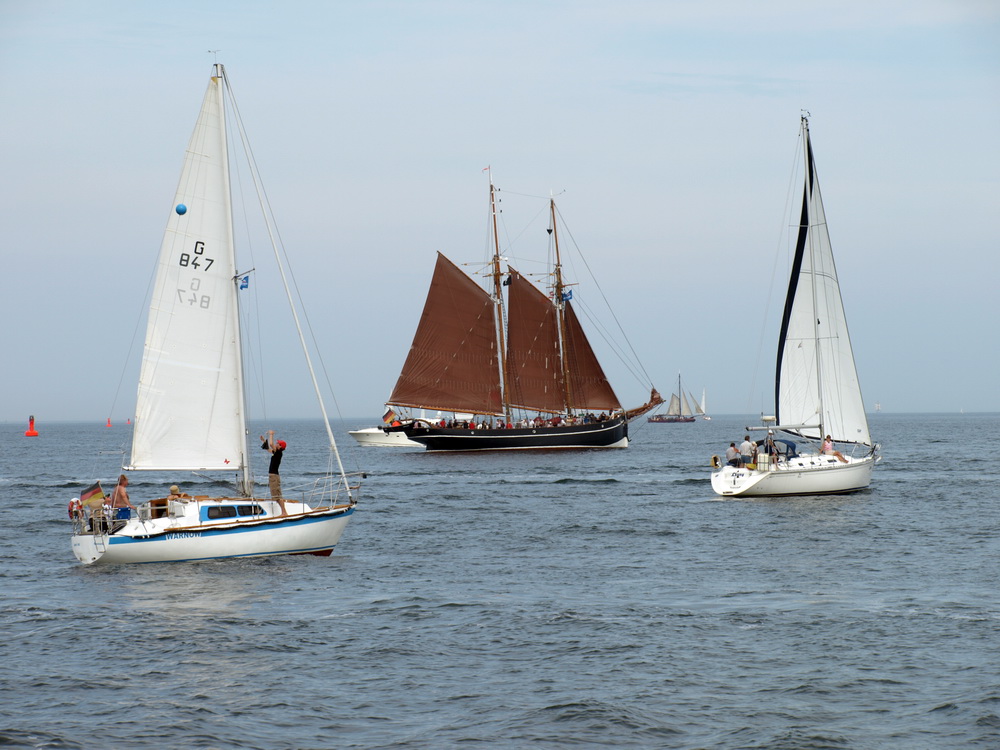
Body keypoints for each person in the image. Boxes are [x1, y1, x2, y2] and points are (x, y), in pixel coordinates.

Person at [260, 430, 288, 516]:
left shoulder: (279, 452)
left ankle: (284, 512)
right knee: (275, 496)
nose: (276, 444)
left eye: (277, 444)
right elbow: (268, 449)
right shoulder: (276, 453)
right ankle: (284, 512)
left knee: (277, 495)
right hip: (273, 476)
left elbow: (271, 445)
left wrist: (271, 435)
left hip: (274, 476)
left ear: (280, 447)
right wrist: (264, 441)